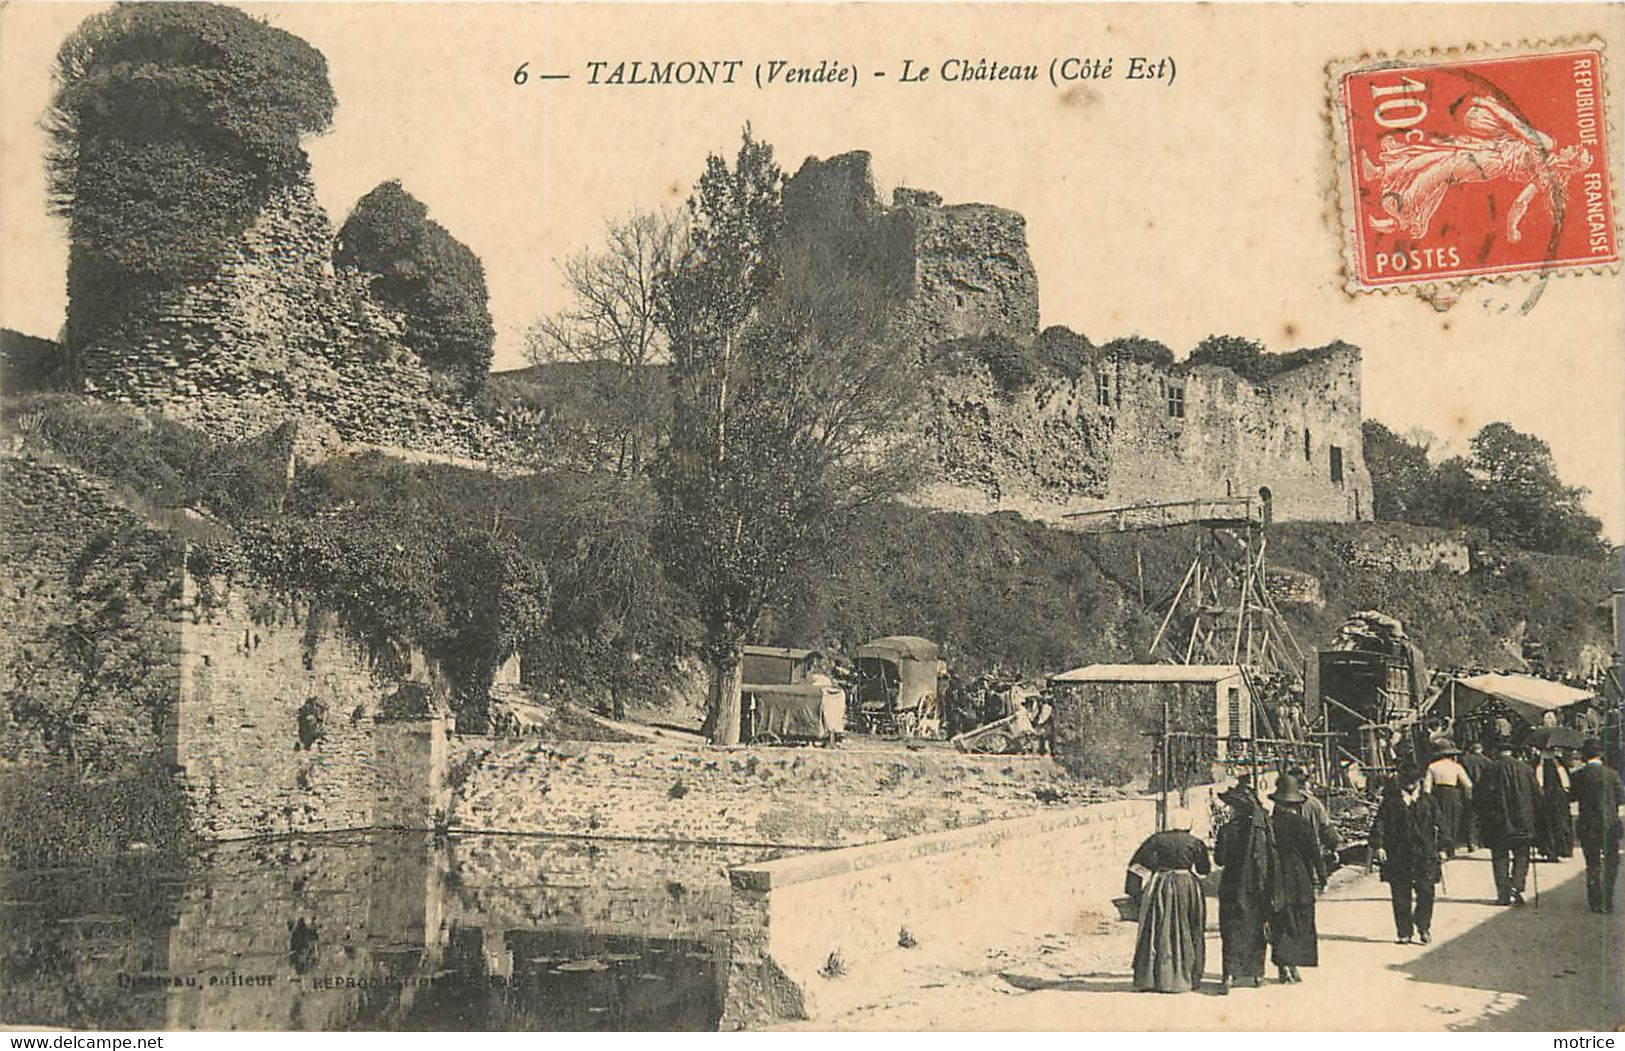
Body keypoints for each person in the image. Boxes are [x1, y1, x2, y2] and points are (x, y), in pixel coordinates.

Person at [1124, 826, 1212, 992]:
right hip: (1186, 886)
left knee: (1157, 929)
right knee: (1188, 928)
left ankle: (1154, 979)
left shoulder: (1155, 840)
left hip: (1160, 886)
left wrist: (1134, 893)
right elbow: (1203, 869)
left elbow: (1137, 866)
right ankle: (1187, 977)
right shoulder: (1195, 842)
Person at [1213, 779, 1280, 993]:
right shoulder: (1263, 829)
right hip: (1257, 885)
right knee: (1255, 926)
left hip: (1232, 884)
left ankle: (1229, 975)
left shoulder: (1227, 830)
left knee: (1231, 927)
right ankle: (1256, 974)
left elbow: (1219, 860)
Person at [1370, 762, 1446, 943]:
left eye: (1414, 782)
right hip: (1398, 854)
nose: (1410, 786)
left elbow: (1442, 826)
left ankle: (1423, 926)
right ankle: (1404, 931)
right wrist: (1379, 846)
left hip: (1425, 854)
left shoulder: (1429, 801)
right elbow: (1379, 825)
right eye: (1406, 782)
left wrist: (1443, 848)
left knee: (1426, 892)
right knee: (1400, 895)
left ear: (1419, 782)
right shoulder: (1391, 802)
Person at [1268, 774, 1327, 983]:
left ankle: (1283, 964)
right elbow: (1313, 853)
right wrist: (1322, 877)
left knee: (1280, 919)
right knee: (1300, 918)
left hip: (1275, 877)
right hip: (1299, 877)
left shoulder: (1269, 824)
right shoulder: (1302, 824)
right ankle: (1293, 964)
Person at [1475, 735, 1542, 906]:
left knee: (1499, 858)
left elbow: (1480, 797)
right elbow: (1536, 795)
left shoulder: (1490, 769)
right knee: (1522, 856)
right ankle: (1518, 886)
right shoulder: (1526, 769)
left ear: (1497, 752)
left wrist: (1483, 817)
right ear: (1513, 752)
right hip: (1523, 821)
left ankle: (1503, 894)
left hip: (1498, 822)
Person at [1569, 738, 1623, 913]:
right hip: (1610, 824)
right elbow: (1622, 797)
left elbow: (1572, 797)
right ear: (1601, 754)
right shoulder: (1612, 774)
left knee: (1592, 863)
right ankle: (1608, 900)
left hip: (1588, 825)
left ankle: (1595, 900)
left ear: (1584, 756)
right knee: (1611, 862)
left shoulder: (1578, 775)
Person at [1424, 738, 1473, 859]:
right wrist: (1467, 797)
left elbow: (1427, 786)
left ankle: (1441, 847)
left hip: (1438, 793)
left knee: (1439, 820)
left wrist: (1427, 799)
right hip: (1453, 793)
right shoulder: (1456, 766)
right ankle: (1451, 848)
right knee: (1453, 820)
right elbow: (1468, 784)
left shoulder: (1432, 766)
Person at [1288, 766, 1342, 863]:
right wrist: (1333, 847)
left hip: (1289, 855)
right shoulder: (1314, 803)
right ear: (1306, 784)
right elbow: (1326, 829)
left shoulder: (1281, 804)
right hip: (1311, 852)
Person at [1533, 746, 1575, 861]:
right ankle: (1556, 850)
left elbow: (1538, 783)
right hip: (1556, 798)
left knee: (1549, 824)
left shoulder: (1539, 764)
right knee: (1558, 824)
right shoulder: (1559, 763)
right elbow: (1567, 783)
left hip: (1548, 798)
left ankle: (1551, 850)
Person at [1459, 740, 1493, 851]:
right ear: (1481, 749)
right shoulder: (1487, 761)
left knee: (1470, 816)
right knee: (1482, 816)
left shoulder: (1464, 760)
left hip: (1467, 790)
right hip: (1483, 791)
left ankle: (1471, 842)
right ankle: (1482, 841)